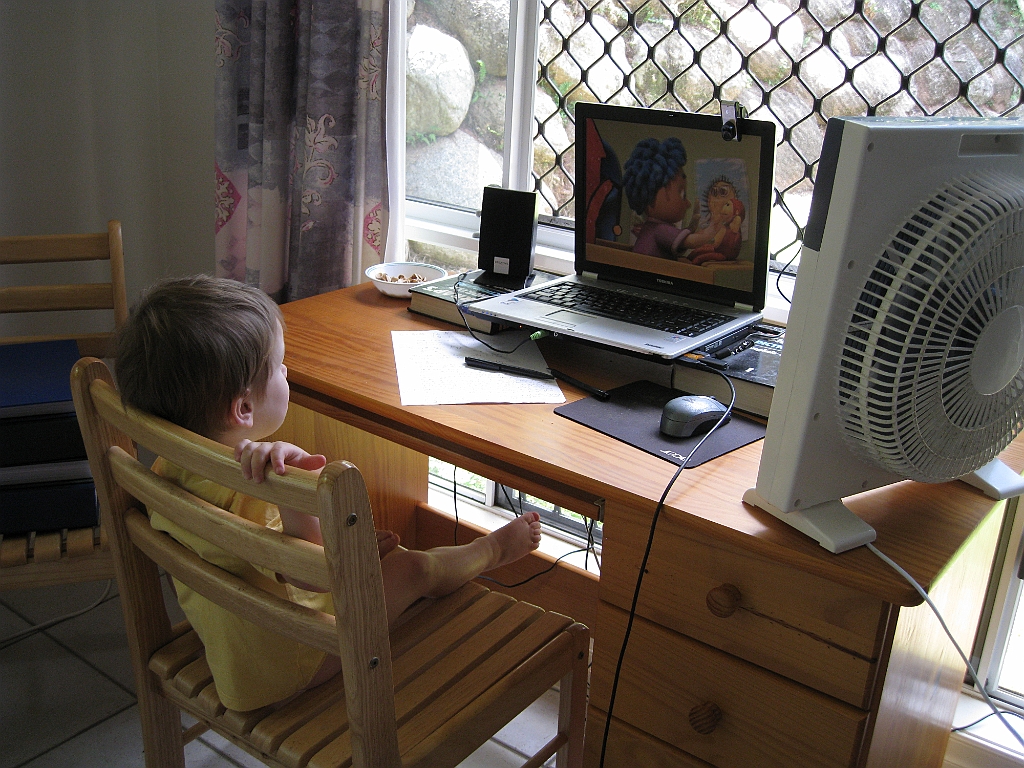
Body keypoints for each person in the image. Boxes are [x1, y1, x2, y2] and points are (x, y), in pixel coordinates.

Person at [114, 275, 542, 711]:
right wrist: (292, 484)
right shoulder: (254, 484)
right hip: (296, 661)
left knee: (378, 556)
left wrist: (350, 548)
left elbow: (256, 556)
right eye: (279, 366)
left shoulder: (166, 465)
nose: (286, 372)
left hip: (238, 662)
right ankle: (490, 551)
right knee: (411, 567)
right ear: (243, 408)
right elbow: (316, 575)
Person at [621, 137, 718, 260]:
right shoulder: (660, 230)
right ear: (653, 194)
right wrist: (714, 227)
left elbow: (678, 244)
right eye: (682, 195)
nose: (688, 204)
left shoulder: (653, 227)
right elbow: (692, 242)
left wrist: (691, 227)